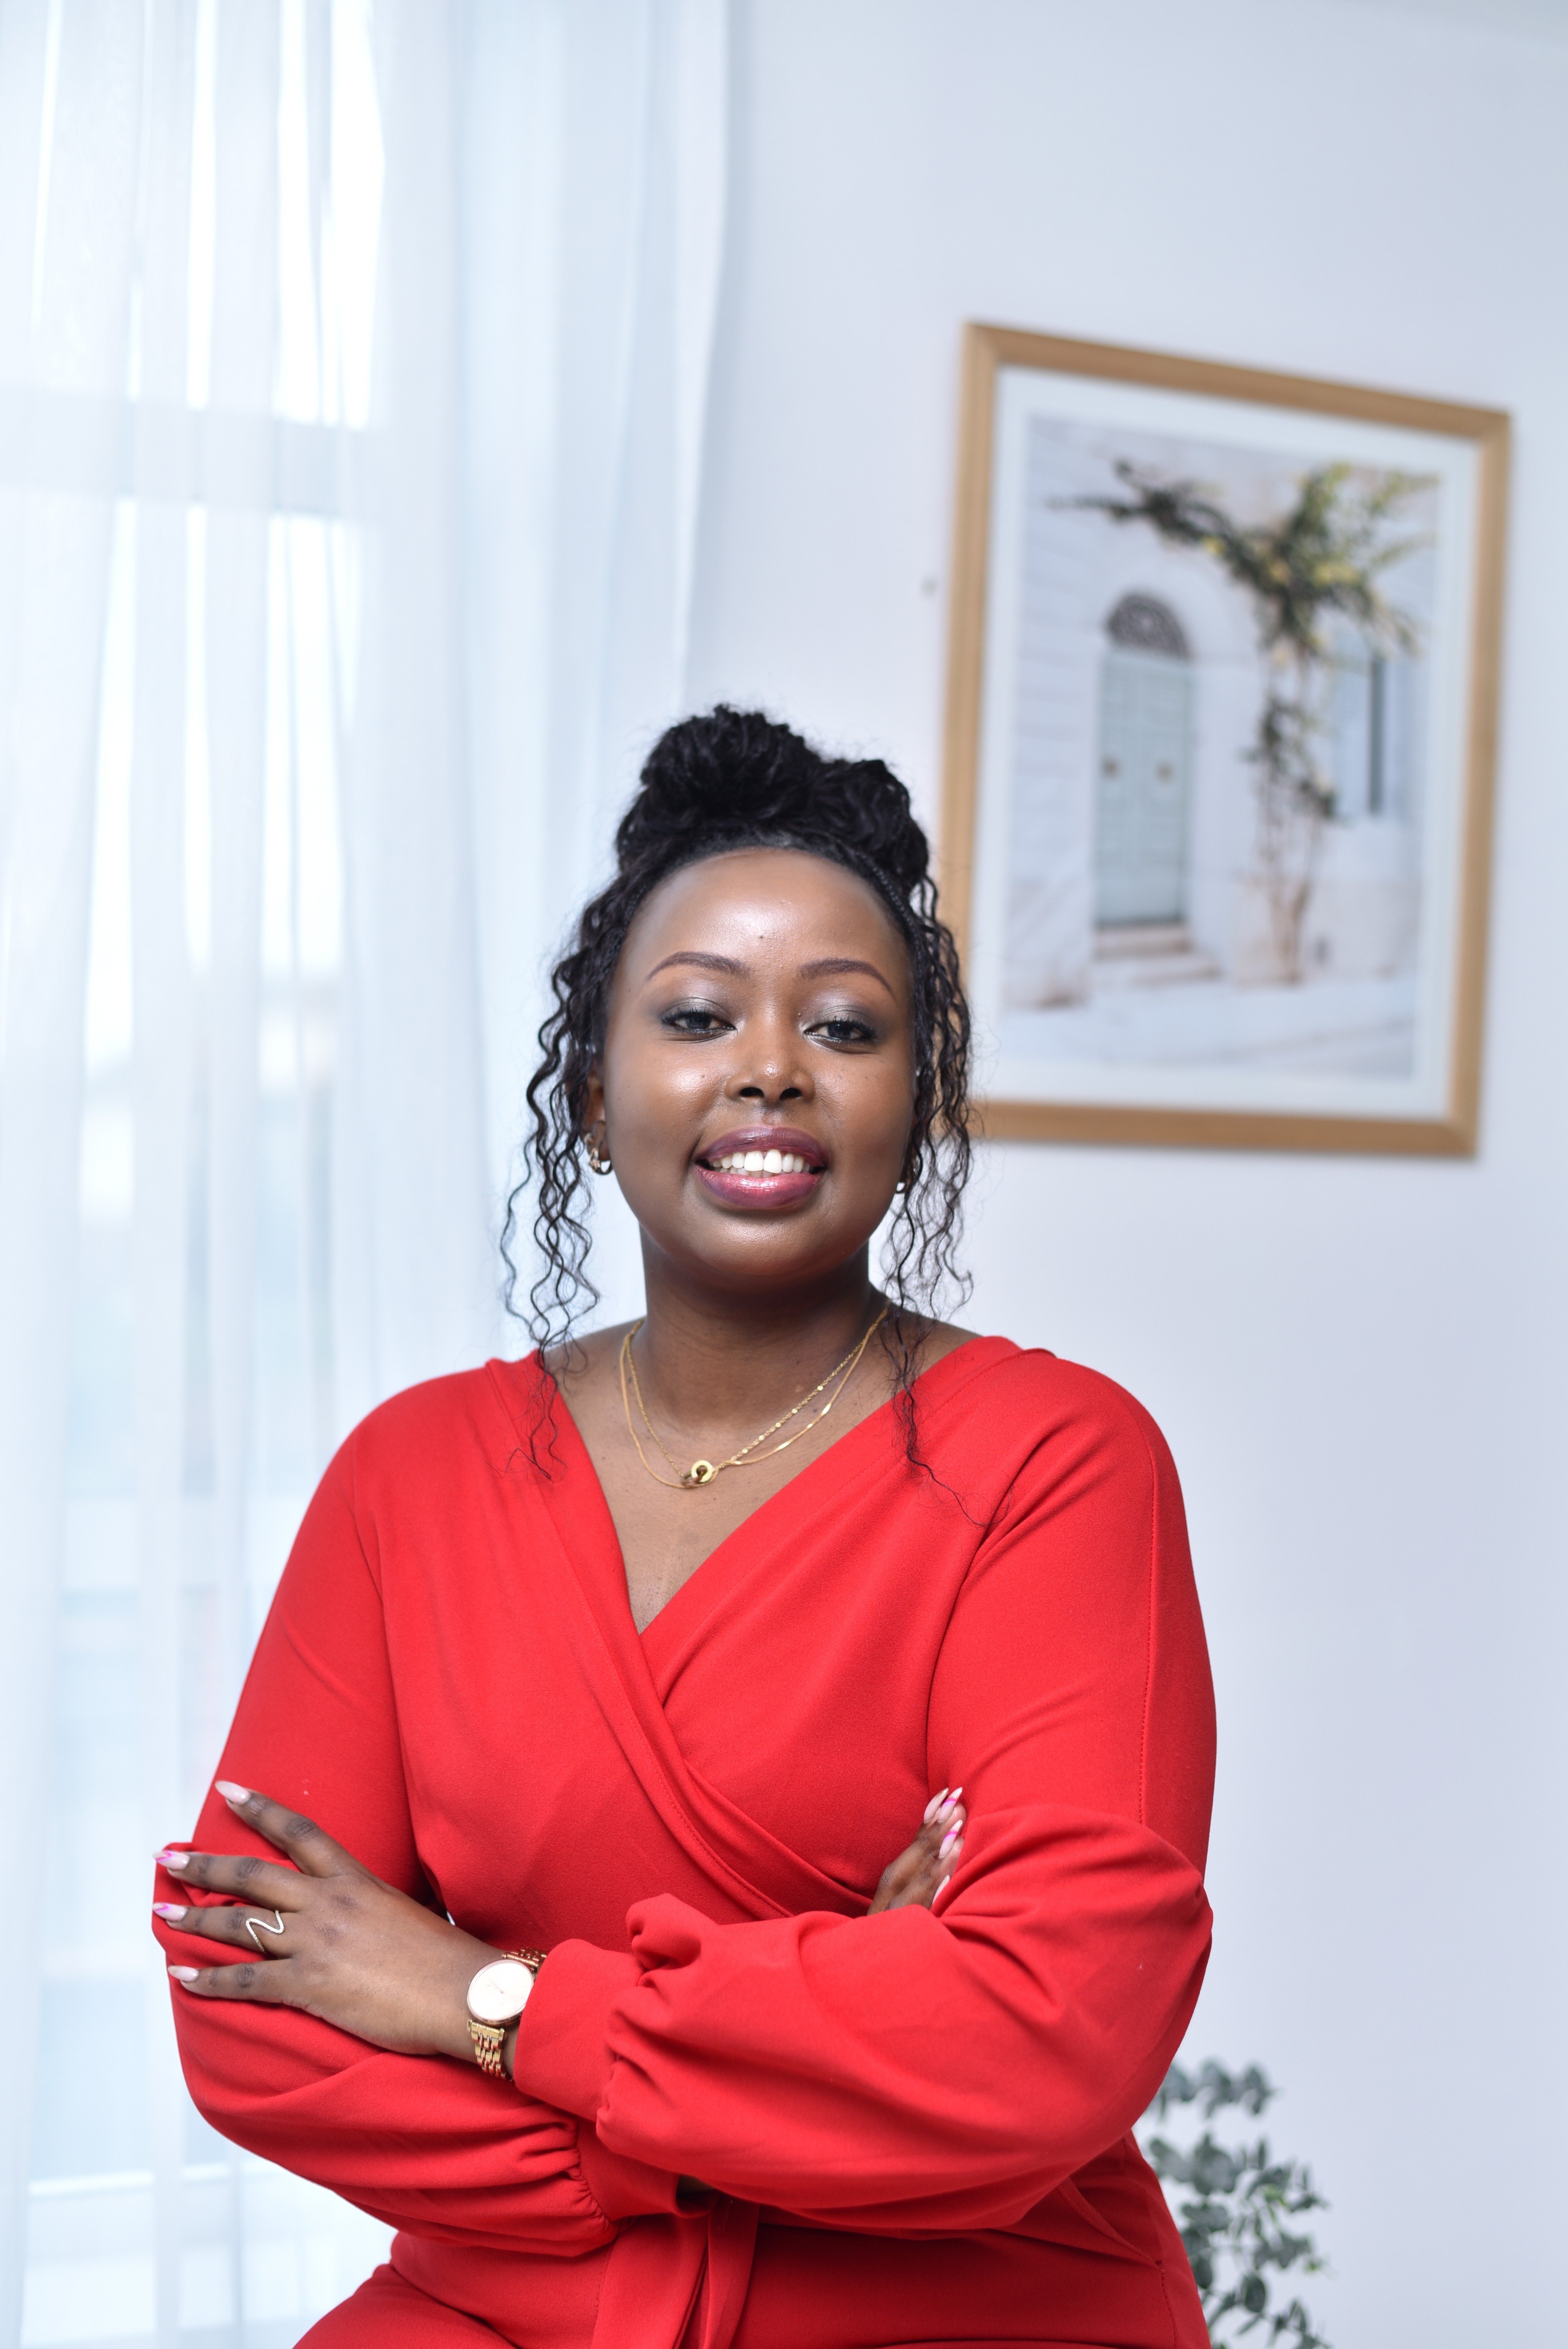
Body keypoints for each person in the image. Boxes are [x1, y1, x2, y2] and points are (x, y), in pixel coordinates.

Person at [152, 707, 1216, 2349]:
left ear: (919, 1100)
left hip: (962, 2311)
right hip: (511, 2303)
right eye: (699, 1014)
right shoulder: (408, 1476)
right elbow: (252, 2006)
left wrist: (475, 1994)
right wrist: (766, 2093)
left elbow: (1045, 2032)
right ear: (593, 1095)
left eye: (844, 1026)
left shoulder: (1057, 1463)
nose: (770, 1066)